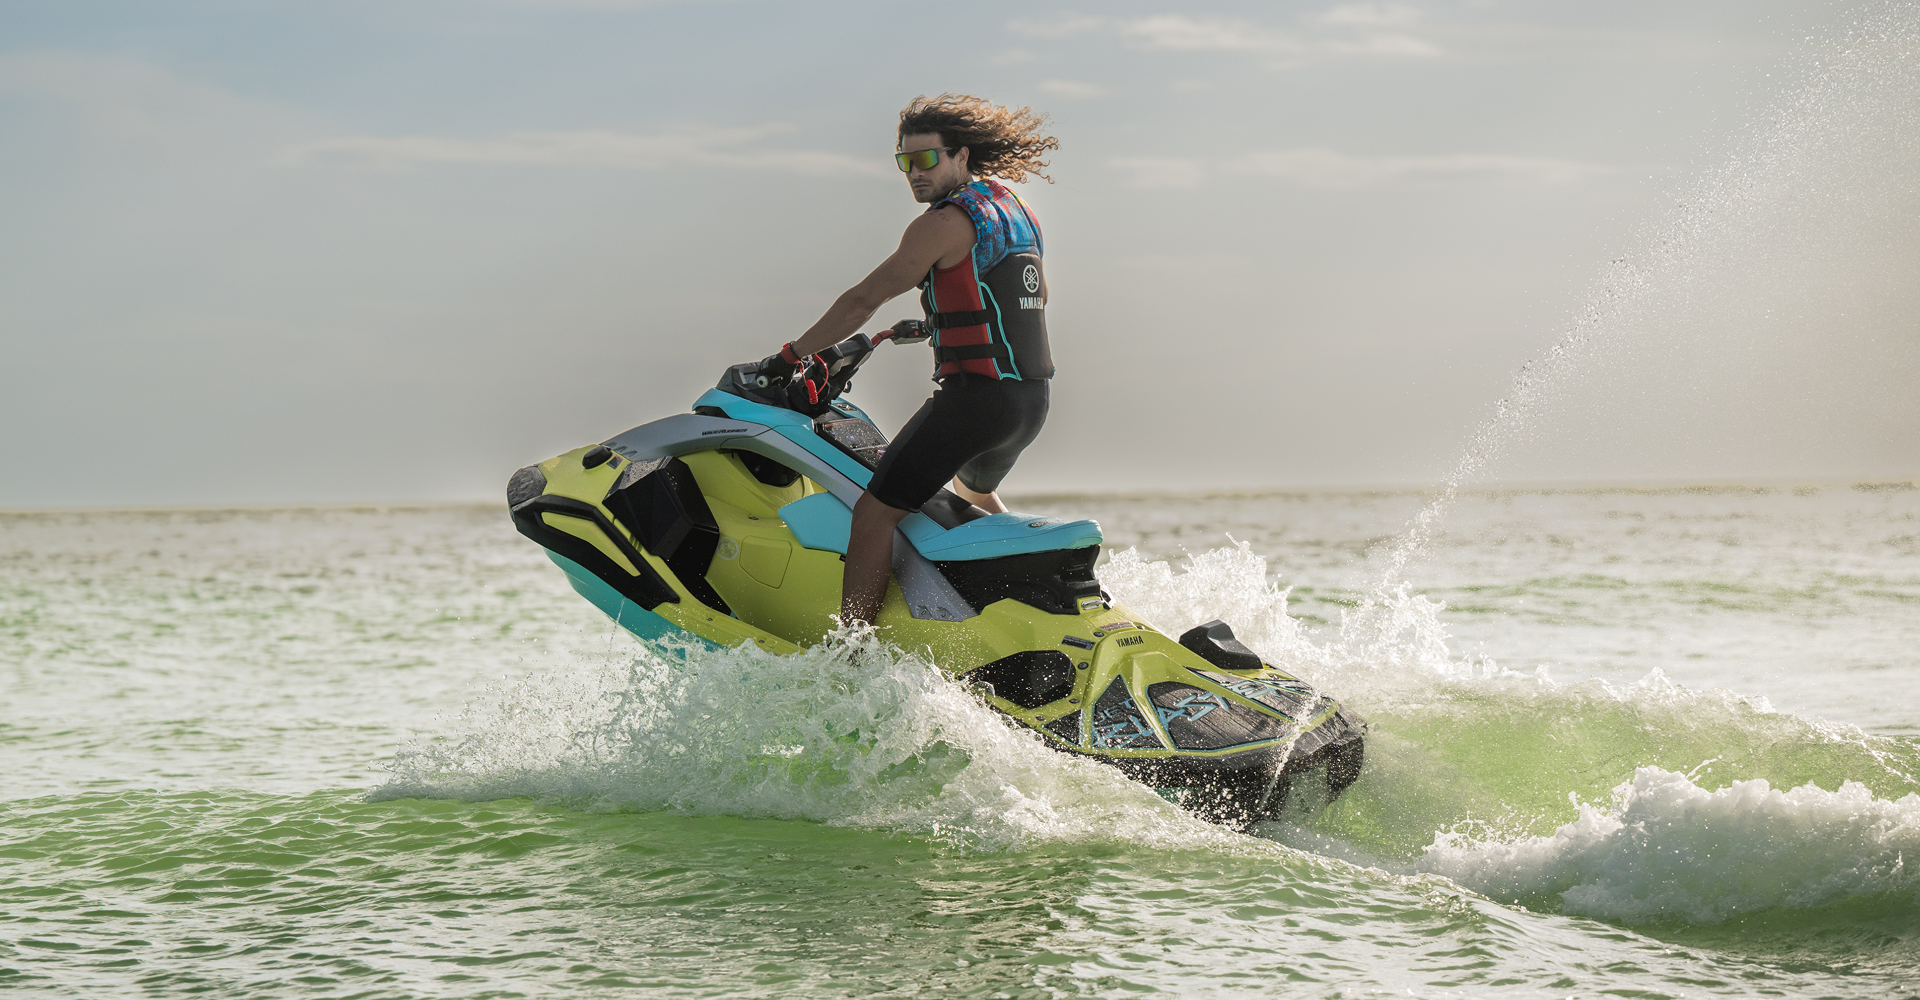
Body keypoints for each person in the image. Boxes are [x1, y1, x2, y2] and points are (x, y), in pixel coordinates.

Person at [763, 93, 1059, 625]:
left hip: (976, 401)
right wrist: (934, 325)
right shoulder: (1015, 211)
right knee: (972, 495)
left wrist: (790, 356)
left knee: (875, 514)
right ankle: (1039, 599)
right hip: (1028, 403)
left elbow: (863, 299)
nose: (914, 174)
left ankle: (850, 651)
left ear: (960, 156)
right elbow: (1000, 299)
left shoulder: (941, 223)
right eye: (905, 161)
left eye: (926, 159)